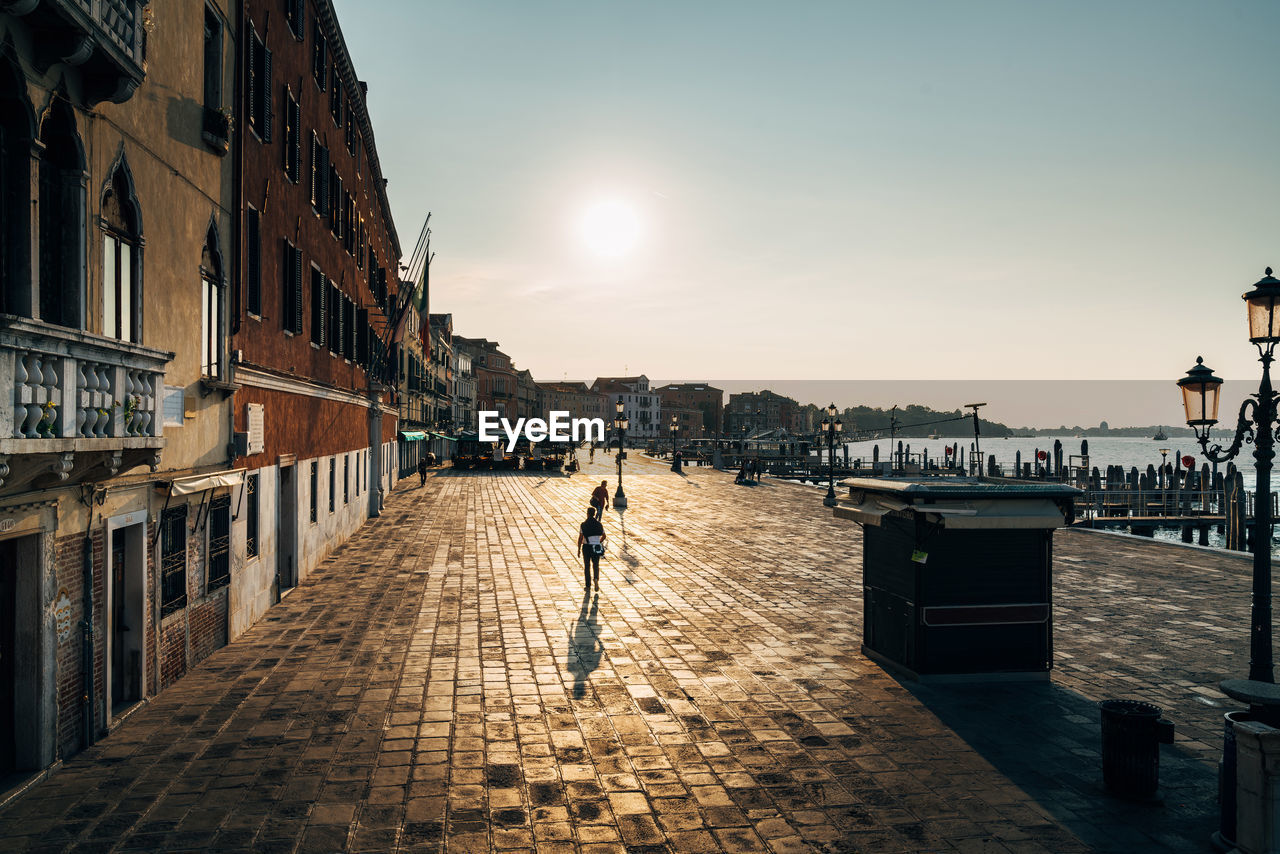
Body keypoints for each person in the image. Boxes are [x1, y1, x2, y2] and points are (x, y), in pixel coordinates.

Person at [577, 507, 607, 590]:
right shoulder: (599, 524)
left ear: (587, 514)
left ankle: (588, 585)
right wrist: (599, 542)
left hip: (587, 547)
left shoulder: (583, 524)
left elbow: (580, 537)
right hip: (596, 547)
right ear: (594, 514)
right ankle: (596, 579)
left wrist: (579, 549)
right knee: (596, 565)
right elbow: (604, 536)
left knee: (587, 566)